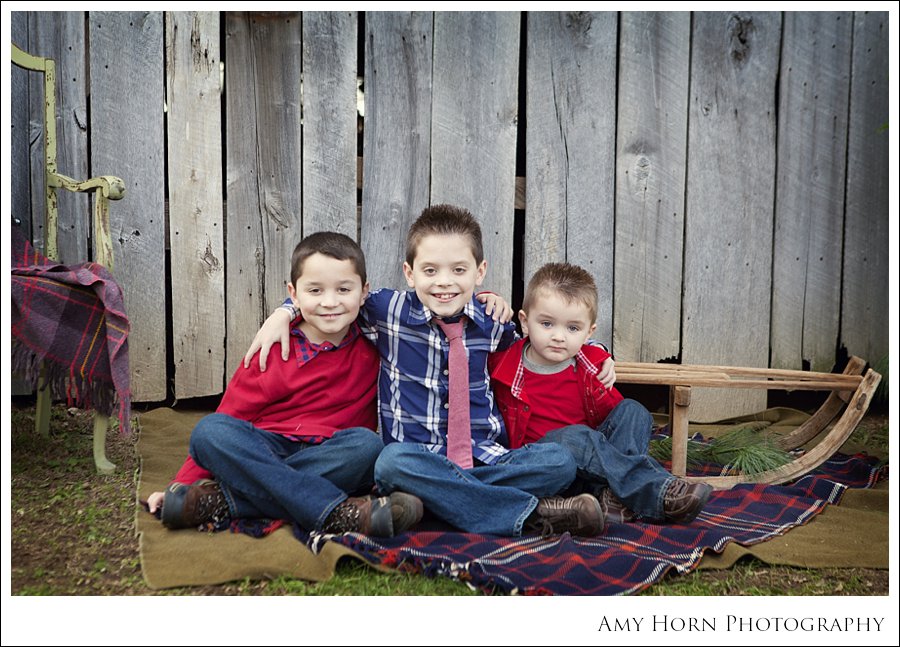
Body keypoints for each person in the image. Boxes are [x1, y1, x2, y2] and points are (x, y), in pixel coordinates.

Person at [246, 205, 606, 537]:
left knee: (558, 461)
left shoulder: (493, 323)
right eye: (430, 270)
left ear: (480, 272)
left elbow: (545, 343)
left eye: (459, 270)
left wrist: (599, 353)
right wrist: (286, 311)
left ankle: (448, 499)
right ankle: (530, 513)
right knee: (388, 463)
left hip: (487, 456)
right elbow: (336, 298)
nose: (444, 282)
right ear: (410, 272)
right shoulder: (387, 311)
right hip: (417, 457)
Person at [147, 232, 423, 537]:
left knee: (368, 446)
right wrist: (181, 485)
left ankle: (221, 501)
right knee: (210, 431)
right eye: (315, 290)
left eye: (343, 289)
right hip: (265, 449)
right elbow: (231, 415)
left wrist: (480, 299)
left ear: (363, 292)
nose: (330, 302)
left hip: (329, 456)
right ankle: (334, 512)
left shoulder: (376, 344)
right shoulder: (272, 348)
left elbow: (432, 308)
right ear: (293, 293)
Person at [489, 262, 713, 524]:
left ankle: (611, 497)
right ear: (525, 323)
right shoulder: (504, 364)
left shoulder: (591, 364)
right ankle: (657, 490)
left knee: (634, 411)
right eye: (547, 324)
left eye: (572, 328)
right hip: (546, 463)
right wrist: (487, 299)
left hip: (593, 467)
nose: (559, 337)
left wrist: (602, 358)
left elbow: (614, 424)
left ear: (588, 332)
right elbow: (475, 332)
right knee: (575, 437)